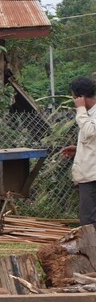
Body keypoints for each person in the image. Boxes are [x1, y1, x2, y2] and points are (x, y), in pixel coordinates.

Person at [61, 76, 96, 226]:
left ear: (81, 97)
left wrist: (80, 109)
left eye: (75, 98)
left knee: (88, 221)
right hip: (90, 174)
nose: (75, 101)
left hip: (92, 177)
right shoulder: (90, 114)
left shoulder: (88, 113)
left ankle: (91, 249)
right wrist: (79, 149)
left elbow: (89, 131)